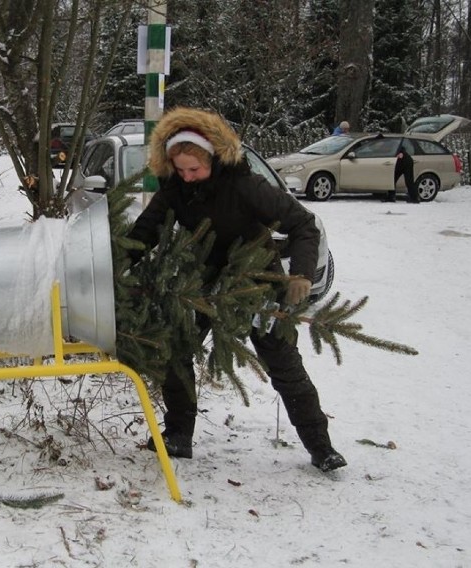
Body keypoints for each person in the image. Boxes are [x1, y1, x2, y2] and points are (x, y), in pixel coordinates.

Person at [129, 107, 347, 472]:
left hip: (256, 280)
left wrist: (301, 275)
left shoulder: (246, 185)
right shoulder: (175, 189)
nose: (188, 177)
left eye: (194, 169)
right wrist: (111, 269)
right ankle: (178, 435)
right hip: (201, 281)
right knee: (177, 347)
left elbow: (303, 225)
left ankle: (321, 447)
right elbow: (143, 234)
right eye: (180, 170)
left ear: (212, 158)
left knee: (284, 364)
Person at [393, 139, 420, 203]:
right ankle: (391, 196)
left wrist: (401, 153)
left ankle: (414, 199)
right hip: (400, 162)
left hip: (406, 161)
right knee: (393, 179)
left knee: (408, 180)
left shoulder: (388, 142)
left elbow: (401, 148)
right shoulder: (386, 143)